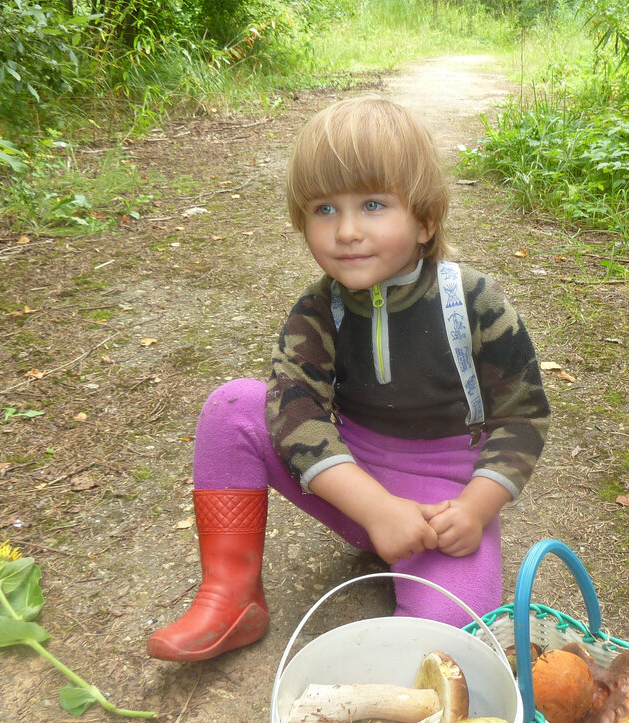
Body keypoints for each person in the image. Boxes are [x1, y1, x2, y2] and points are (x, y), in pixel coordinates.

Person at [147, 97, 550, 662]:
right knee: (233, 405)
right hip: (349, 487)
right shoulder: (319, 310)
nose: (347, 231)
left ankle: (408, 624)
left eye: (373, 205)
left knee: (448, 635)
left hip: (440, 513)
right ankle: (231, 595)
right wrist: (375, 508)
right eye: (324, 209)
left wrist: (476, 509)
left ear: (425, 219)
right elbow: (295, 410)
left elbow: (523, 415)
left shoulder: (473, 301)